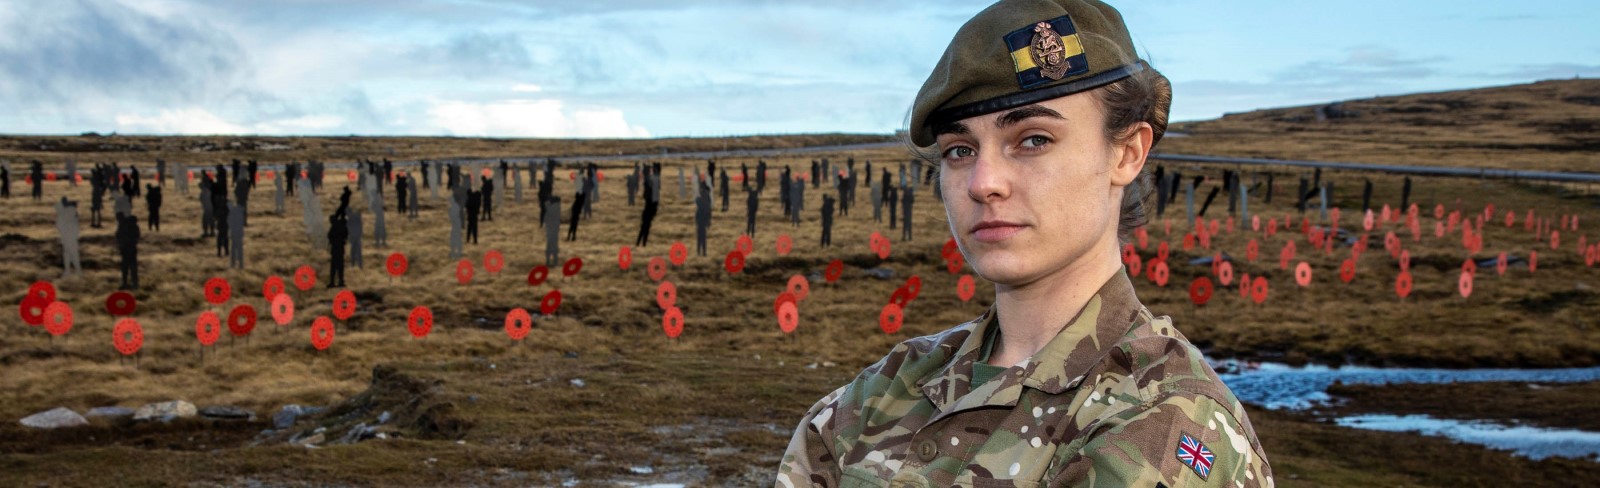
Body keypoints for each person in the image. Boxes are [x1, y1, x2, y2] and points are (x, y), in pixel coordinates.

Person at [778, 1, 1272, 486]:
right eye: (960, 150)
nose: (983, 182)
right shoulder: (880, 395)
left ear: (1126, 153)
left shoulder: (1159, 421)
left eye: (1034, 139)